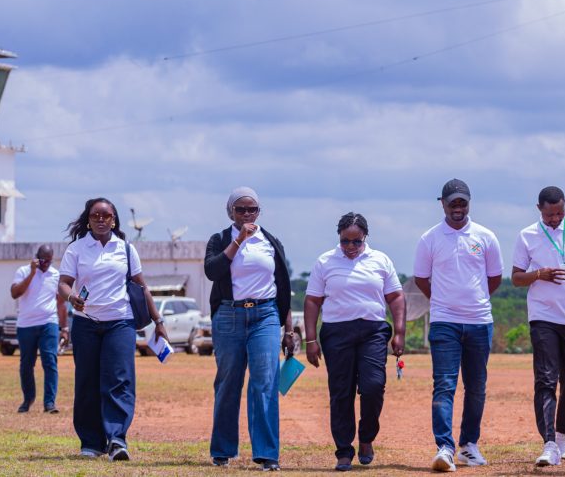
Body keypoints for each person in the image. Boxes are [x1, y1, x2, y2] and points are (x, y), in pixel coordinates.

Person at [58, 198, 166, 461]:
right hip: (86, 324)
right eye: (96, 215)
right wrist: (72, 298)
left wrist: (158, 321)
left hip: (120, 322)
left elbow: (143, 287)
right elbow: (63, 283)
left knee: (119, 380)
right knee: (88, 381)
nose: (101, 219)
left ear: (114, 220)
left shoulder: (126, 249)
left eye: (106, 216)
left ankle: (117, 439)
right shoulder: (77, 249)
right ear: (88, 220)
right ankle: (91, 442)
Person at [303, 212, 407, 472]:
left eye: (356, 242)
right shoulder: (325, 262)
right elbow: (313, 301)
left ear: (365, 238)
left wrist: (399, 332)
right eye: (345, 241)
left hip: (373, 331)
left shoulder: (380, 260)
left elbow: (395, 297)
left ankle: (366, 438)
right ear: (339, 238)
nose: (350, 247)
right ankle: (344, 451)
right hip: (336, 333)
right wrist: (311, 339)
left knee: (373, 387)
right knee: (341, 392)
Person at [414, 178, 504, 472]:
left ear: (469, 203)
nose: (458, 208)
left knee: (477, 386)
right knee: (444, 385)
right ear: (442, 203)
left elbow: (494, 279)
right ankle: (445, 447)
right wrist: (444, 301)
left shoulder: (486, 237)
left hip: (479, 322)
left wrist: (472, 301)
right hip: (444, 323)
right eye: (452, 202)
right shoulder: (429, 239)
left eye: (462, 202)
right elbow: (421, 279)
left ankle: (469, 445)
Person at [204, 187, 295, 471]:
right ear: (230, 211)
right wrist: (239, 241)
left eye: (252, 209)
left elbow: (283, 287)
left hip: (265, 314)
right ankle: (223, 450)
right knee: (228, 382)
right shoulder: (220, 240)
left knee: (265, 381)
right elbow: (212, 271)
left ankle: (267, 454)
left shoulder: (271, 242)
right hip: (230, 314)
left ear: (259, 211)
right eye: (240, 209)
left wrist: (289, 330)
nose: (246, 214)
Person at [511, 186, 565, 466]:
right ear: (538, 209)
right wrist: (539, 274)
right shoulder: (527, 235)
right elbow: (516, 278)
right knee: (545, 379)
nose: (555, 219)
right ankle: (549, 444)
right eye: (549, 214)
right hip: (543, 317)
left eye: (559, 213)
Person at [10, 244, 66, 413]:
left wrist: (65, 327)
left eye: (48, 261)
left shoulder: (55, 275)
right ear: (36, 257)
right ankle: (28, 399)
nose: (45, 264)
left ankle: (49, 403)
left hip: (48, 322)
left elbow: (61, 303)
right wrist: (32, 273)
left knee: (50, 361)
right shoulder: (22, 271)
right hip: (26, 324)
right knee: (26, 364)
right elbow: (15, 293)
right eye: (42, 261)